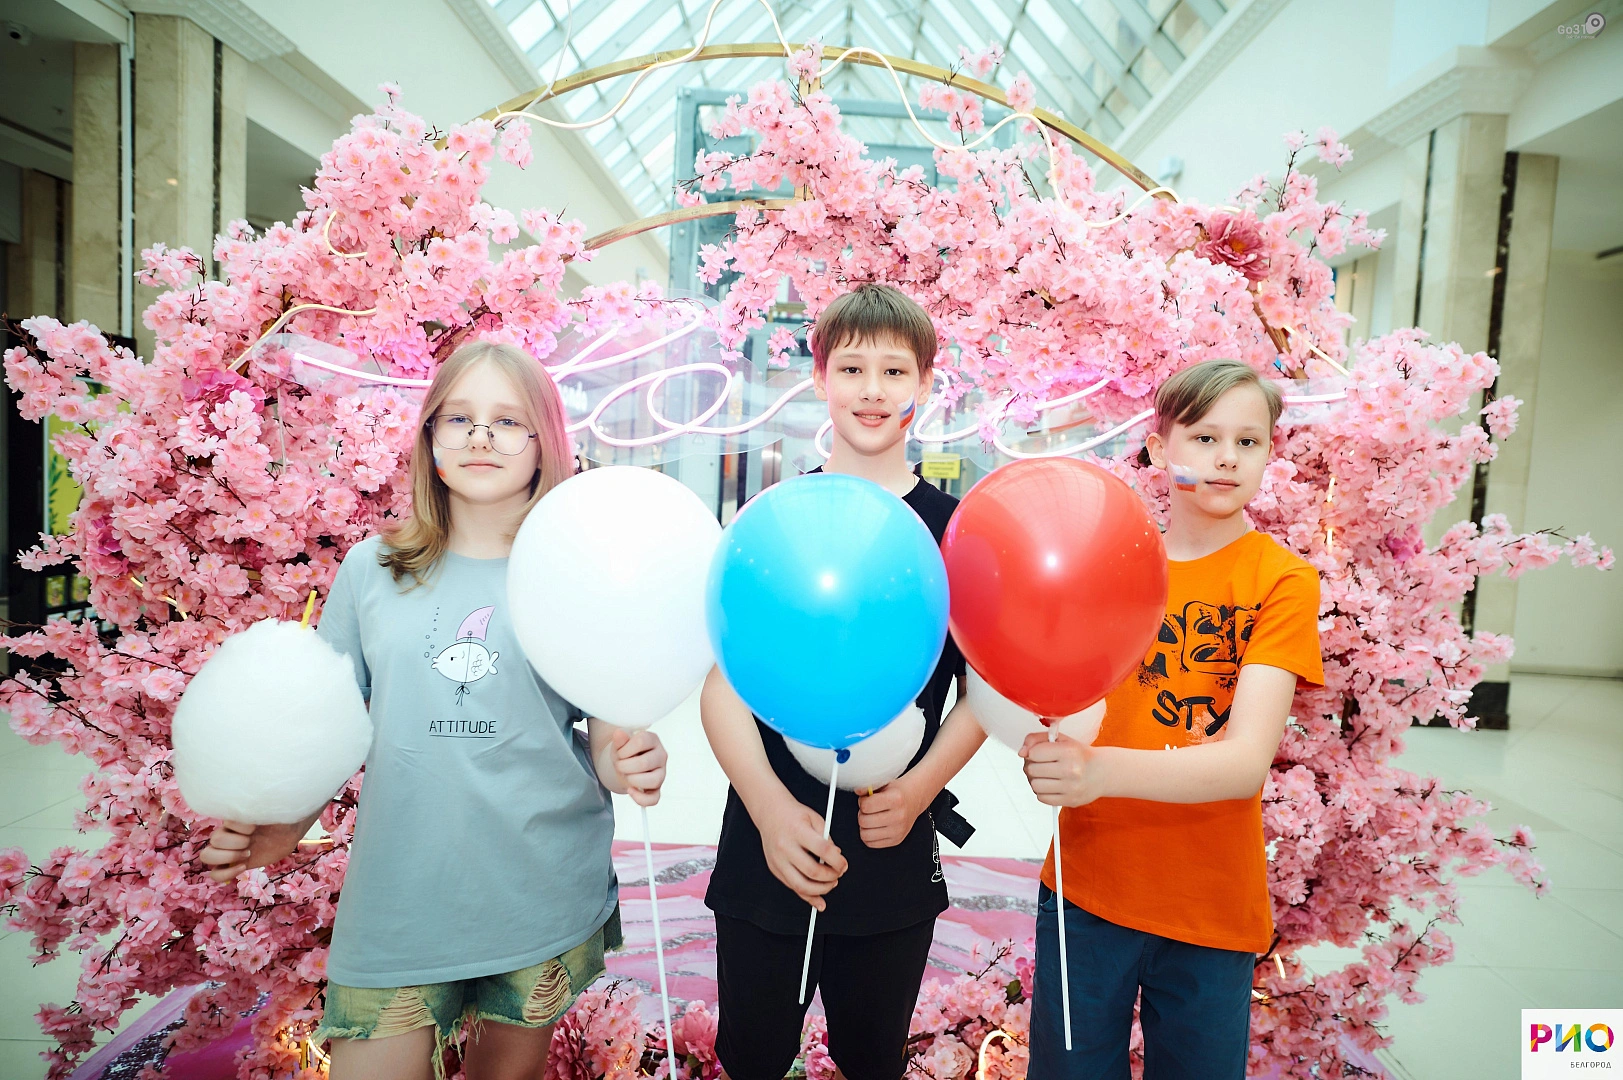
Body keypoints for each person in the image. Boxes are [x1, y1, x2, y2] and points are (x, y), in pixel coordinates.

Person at [198, 342, 667, 1080]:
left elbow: (607, 736)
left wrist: (629, 760)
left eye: (507, 421)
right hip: (399, 894)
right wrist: (281, 821)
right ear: (430, 438)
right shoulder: (371, 570)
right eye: (459, 418)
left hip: (536, 886)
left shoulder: (573, 575)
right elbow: (322, 726)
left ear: (544, 443)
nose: (481, 436)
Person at [701, 284, 985, 1080]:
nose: (871, 390)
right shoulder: (773, 516)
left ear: (925, 383)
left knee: (872, 1054)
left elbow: (981, 694)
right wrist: (768, 810)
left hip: (892, 837)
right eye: (852, 368)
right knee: (753, 1055)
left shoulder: (958, 532)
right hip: (767, 840)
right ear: (820, 377)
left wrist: (920, 788)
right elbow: (722, 686)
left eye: (894, 371)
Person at [1020, 359, 1324, 1079]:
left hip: (1210, 904)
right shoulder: (1106, 567)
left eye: (1248, 442)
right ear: (1160, 449)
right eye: (1204, 438)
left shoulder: (1282, 581)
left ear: (1269, 454)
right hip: (1087, 889)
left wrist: (1096, 770)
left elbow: (1243, 762)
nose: (1226, 458)